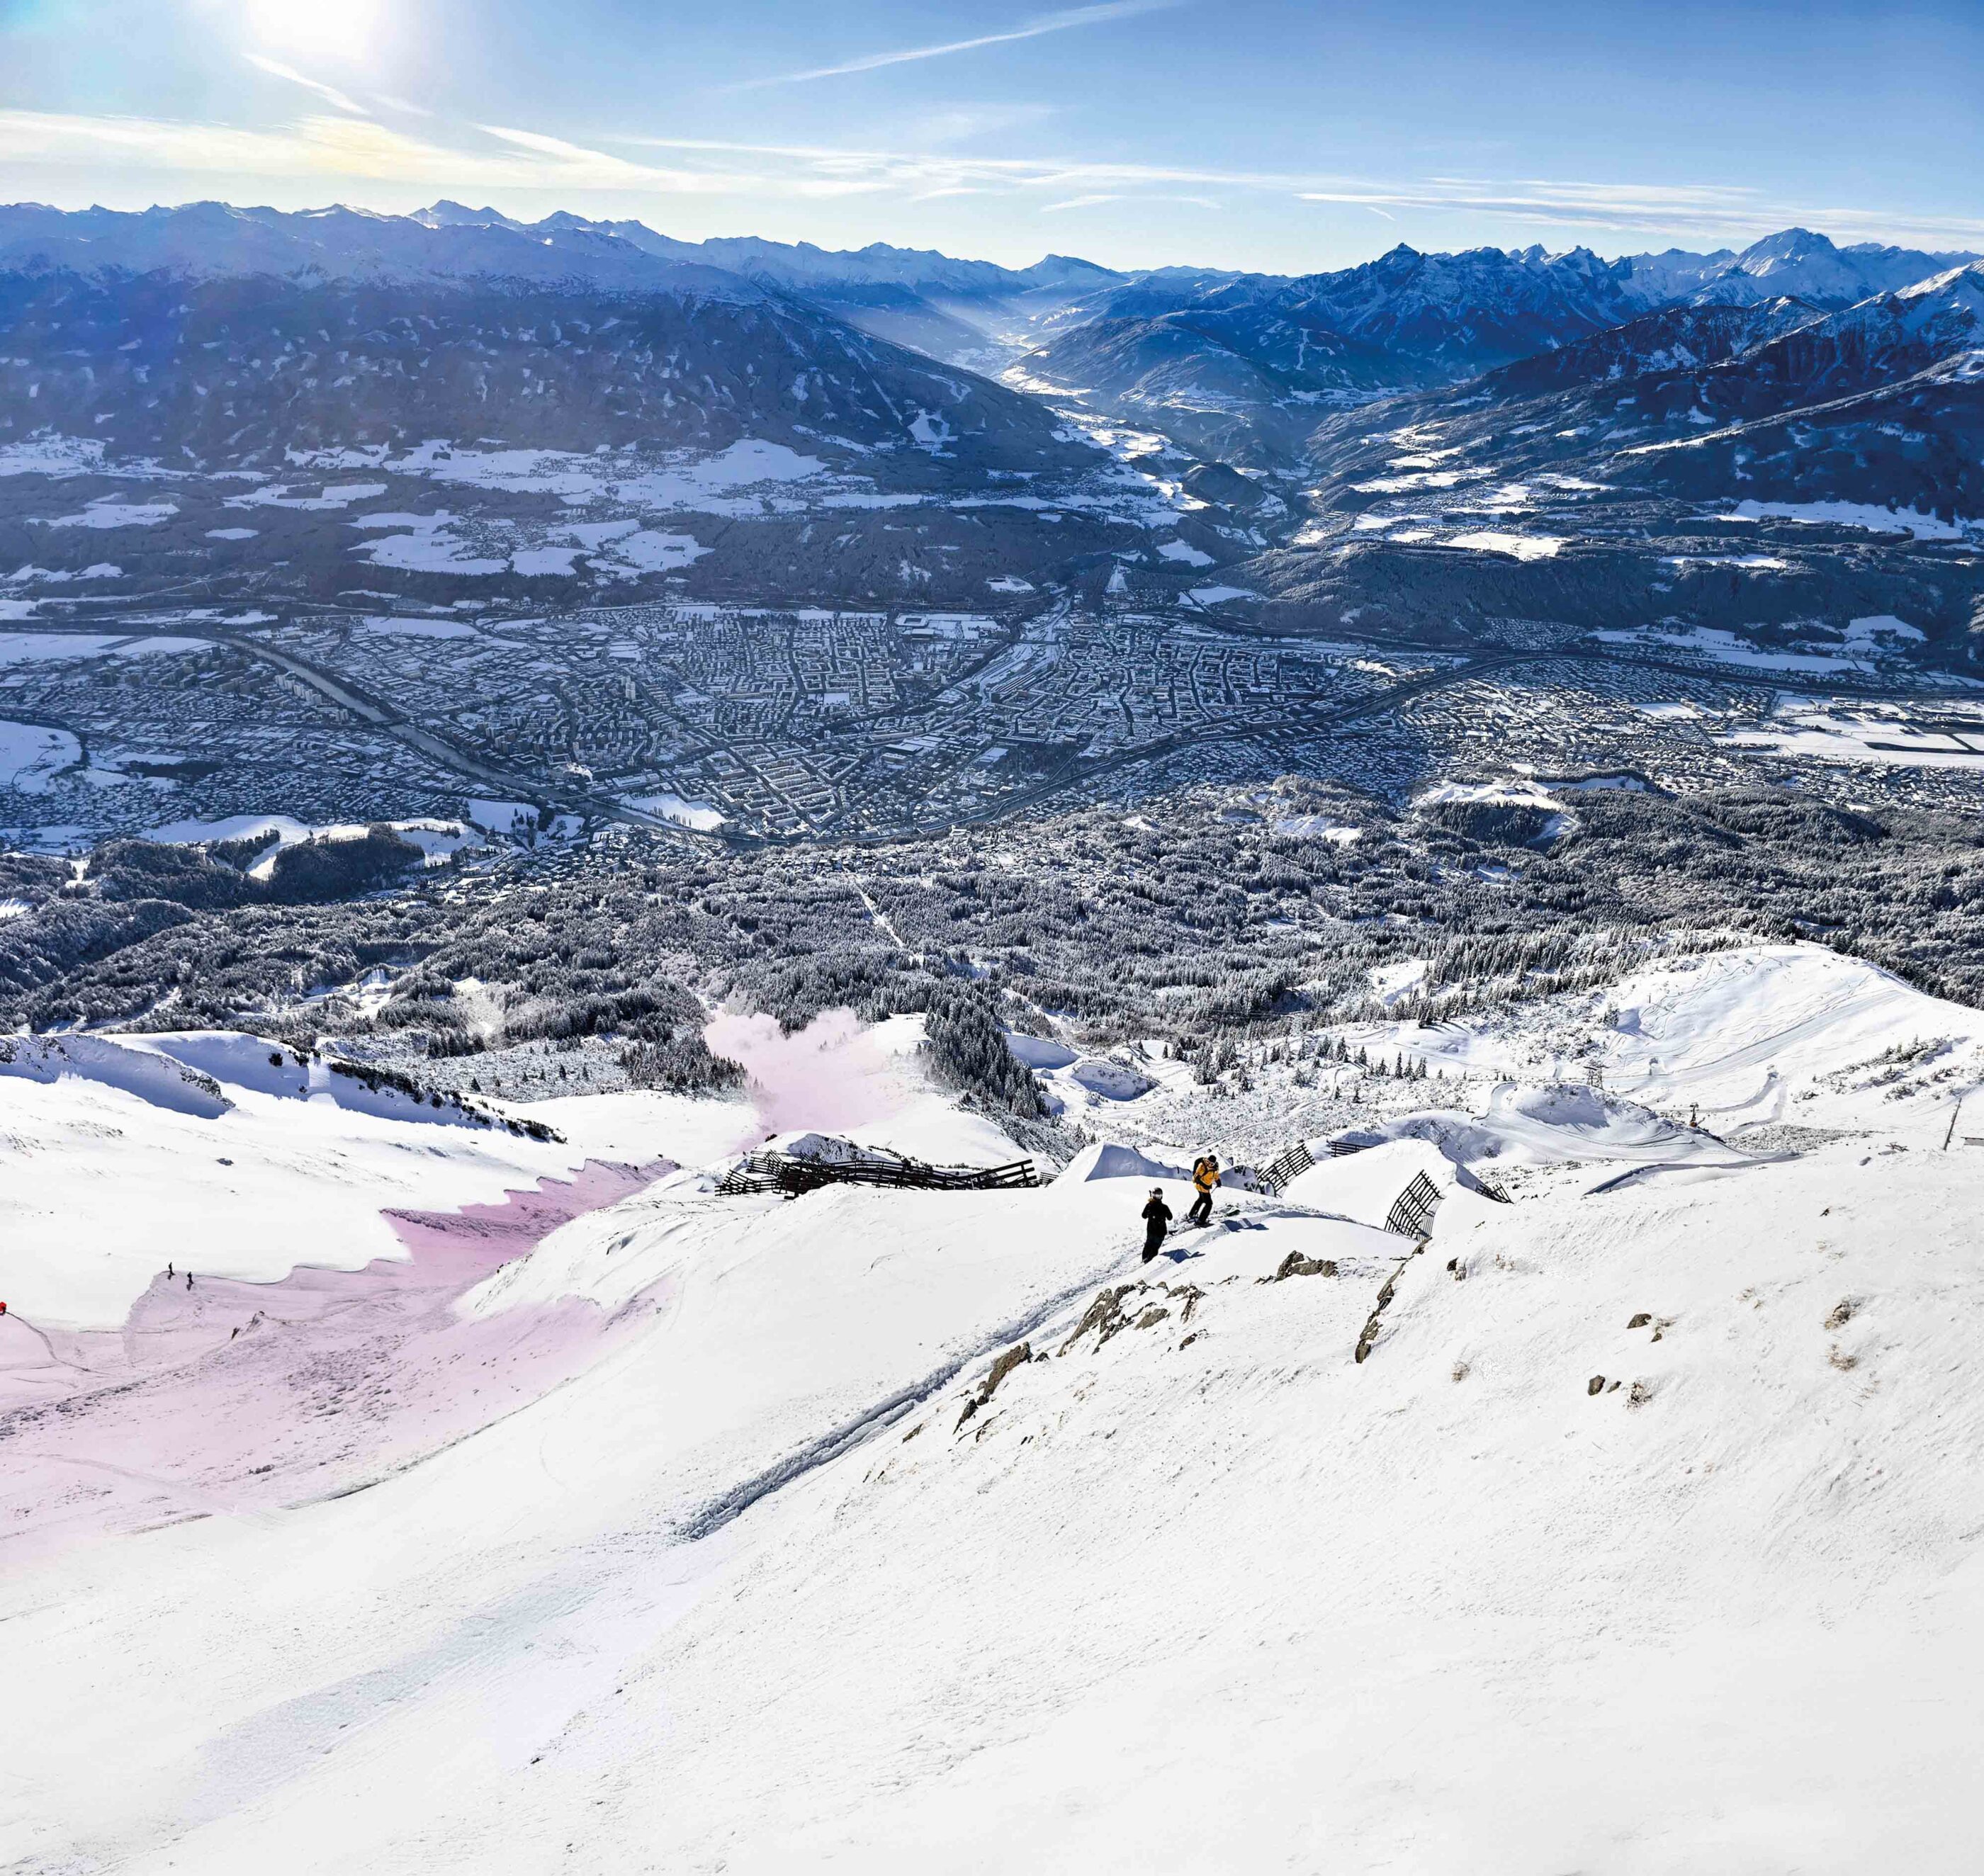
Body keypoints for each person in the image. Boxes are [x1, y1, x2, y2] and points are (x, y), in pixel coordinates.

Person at [1188, 1152, 1220, 1227]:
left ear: (1214, 1164)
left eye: (1211, 1163)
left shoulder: (1215, 1168)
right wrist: (1204, 1185)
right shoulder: (1202, 1166)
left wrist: (1218, 1181)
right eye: (1208, 1162)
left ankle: (1192, 1214)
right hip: (1201, 1187)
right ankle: (1201, 1221)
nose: (1209, 1164)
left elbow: (1215, 1174)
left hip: (1206, 1187)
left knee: (1201, 1199)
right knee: (1209, 1204)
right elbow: (1196, 1178)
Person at [1141, 1187, 1172, 1262]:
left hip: (1151, 1230)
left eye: (1159, 1195)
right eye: (1157, 1195)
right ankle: (1149, 1262)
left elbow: (1143, 1216)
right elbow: (1170, 1218)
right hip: (1160, 1232)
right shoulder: (1164, 1207)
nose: (1158, 1197)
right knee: (1154, 1247)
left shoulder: (1149, 1205)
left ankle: (1145, 1260)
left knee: (1148, 1245)